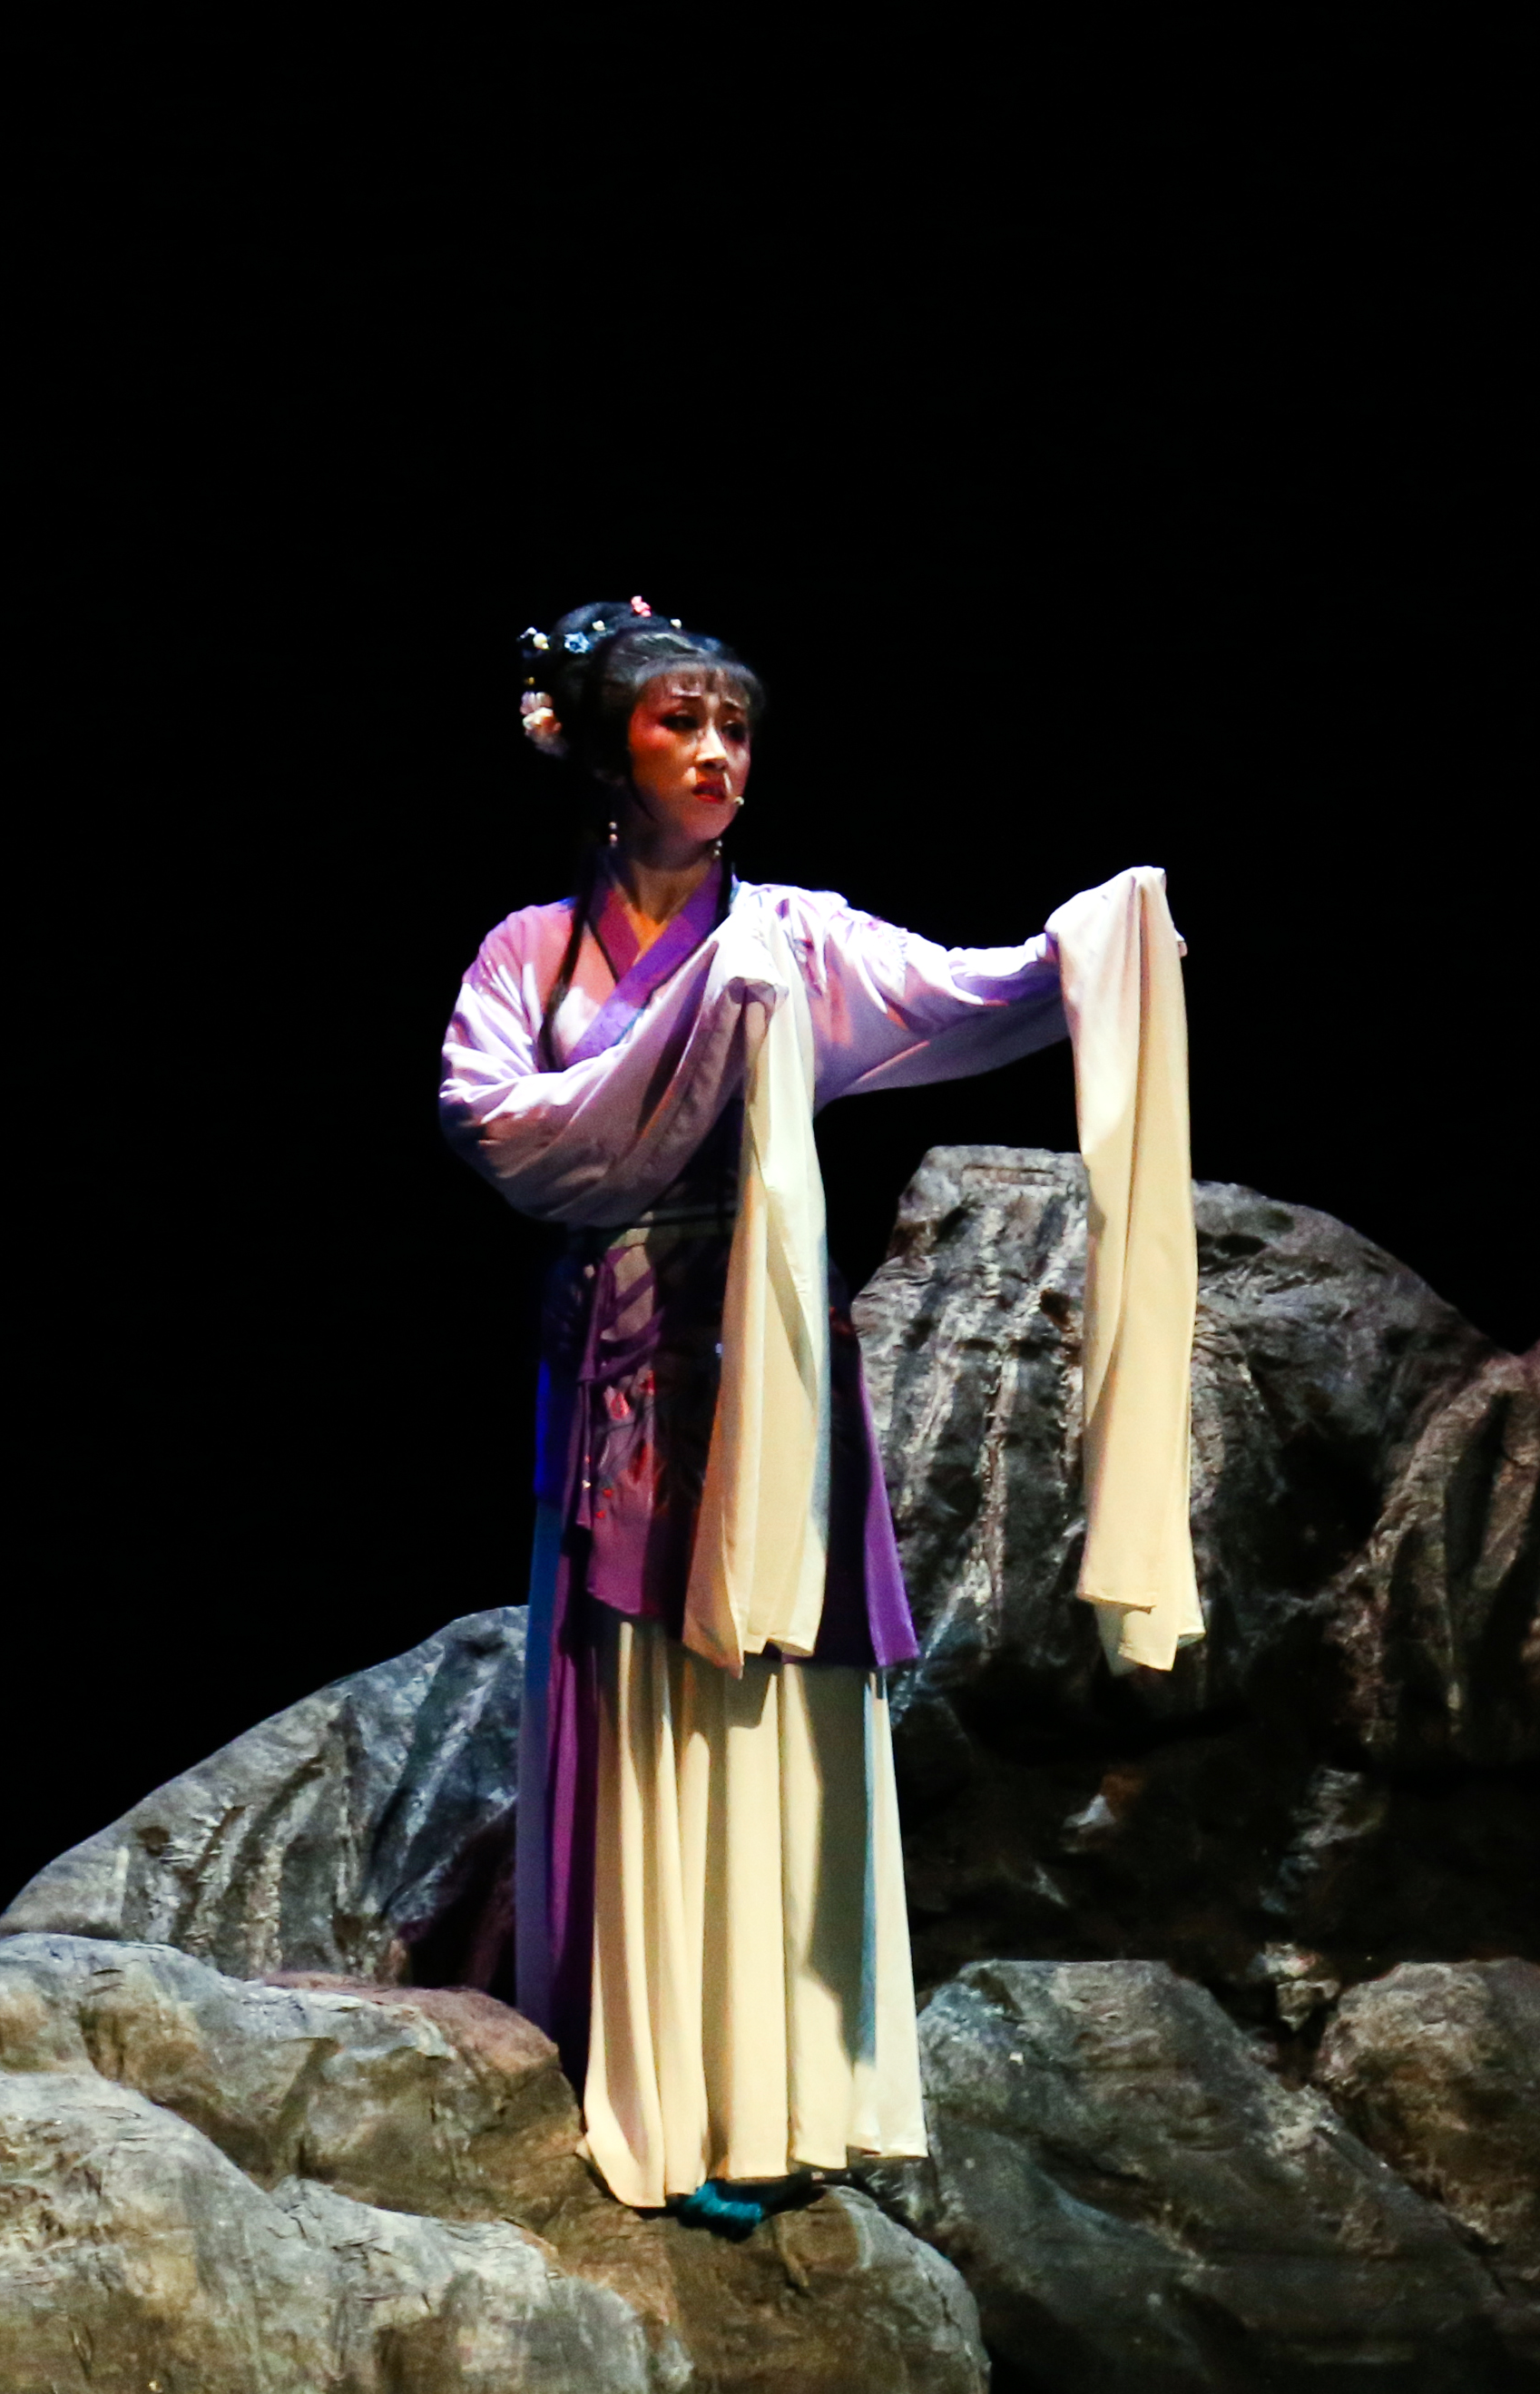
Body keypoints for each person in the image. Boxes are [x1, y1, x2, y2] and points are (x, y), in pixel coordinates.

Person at [436, 596, 1196, 2231]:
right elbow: (504, 1127)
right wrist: (688, 1028)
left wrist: (1097, 941)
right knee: (638, 1702)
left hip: (769, 1360)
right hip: (626, 1365)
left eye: (736, 727)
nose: (719, 754)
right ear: (604, 747)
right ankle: (656, 2082)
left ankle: (786, 2097)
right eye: (681, 723)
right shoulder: (529, 956)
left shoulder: (793, 938)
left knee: (777, 1693)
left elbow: (978, 994)